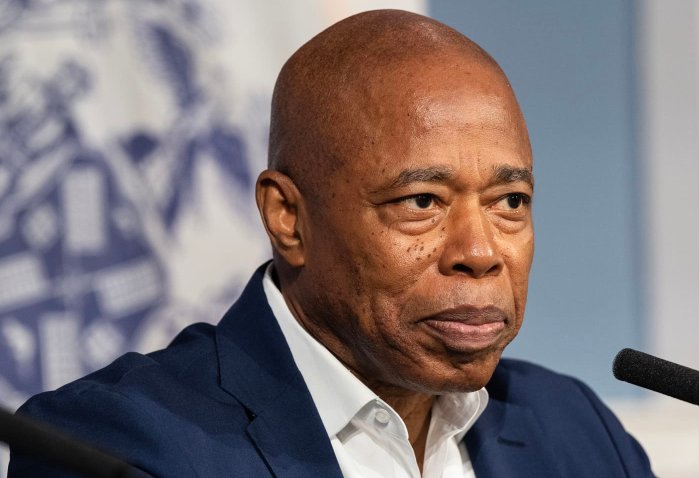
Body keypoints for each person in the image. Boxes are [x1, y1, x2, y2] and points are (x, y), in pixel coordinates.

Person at [9, 9, 654, 477]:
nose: (481, 252)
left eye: (509, 202)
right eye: (421, 202)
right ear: (287, 217)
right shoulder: (118, 448)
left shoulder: (577, 432)